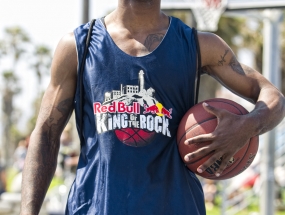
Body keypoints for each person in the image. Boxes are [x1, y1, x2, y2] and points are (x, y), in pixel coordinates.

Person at [20, 0, 285, 214]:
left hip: (176, 206)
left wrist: (247, 126)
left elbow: (273, 96)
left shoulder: (199, 45)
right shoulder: (80, 45)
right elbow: (45, 134)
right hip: (95, 206)